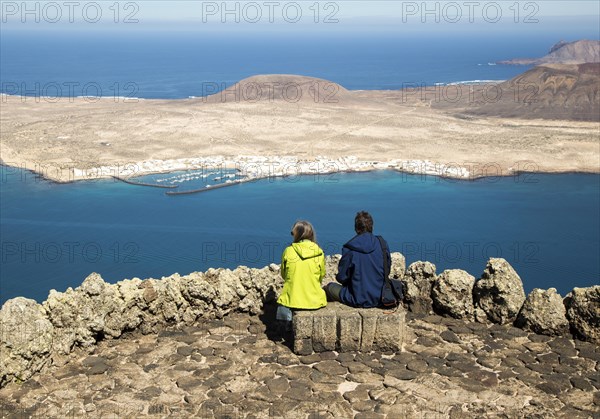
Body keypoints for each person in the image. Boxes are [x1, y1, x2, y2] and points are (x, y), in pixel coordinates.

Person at [324, 211, 391, 308]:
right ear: (371, 226)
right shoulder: (382, 244)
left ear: (356, 228)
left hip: (357, 298)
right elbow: (387, 270)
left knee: (329, 288)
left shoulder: (350, 249)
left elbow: (342, 277)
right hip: (381, 296)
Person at [277, 220, 327, 320]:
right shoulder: (319, 252)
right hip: (315, 300)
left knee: (283, 302)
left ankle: (284, 329)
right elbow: (321, 275)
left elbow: (284, 274)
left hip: (292, 300)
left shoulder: (288, 251)